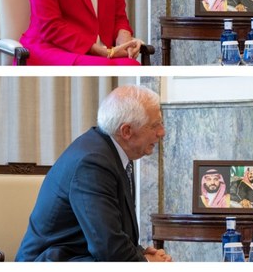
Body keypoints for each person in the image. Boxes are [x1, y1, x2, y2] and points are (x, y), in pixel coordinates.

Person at [16, 85, 172, 262]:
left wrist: (141, 253)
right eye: (154, 125)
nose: (162, 132)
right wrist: (146, 262)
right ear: (126, 131)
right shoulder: (93, 163)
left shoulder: (112, 153)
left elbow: (111, 230)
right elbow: (107, 246)